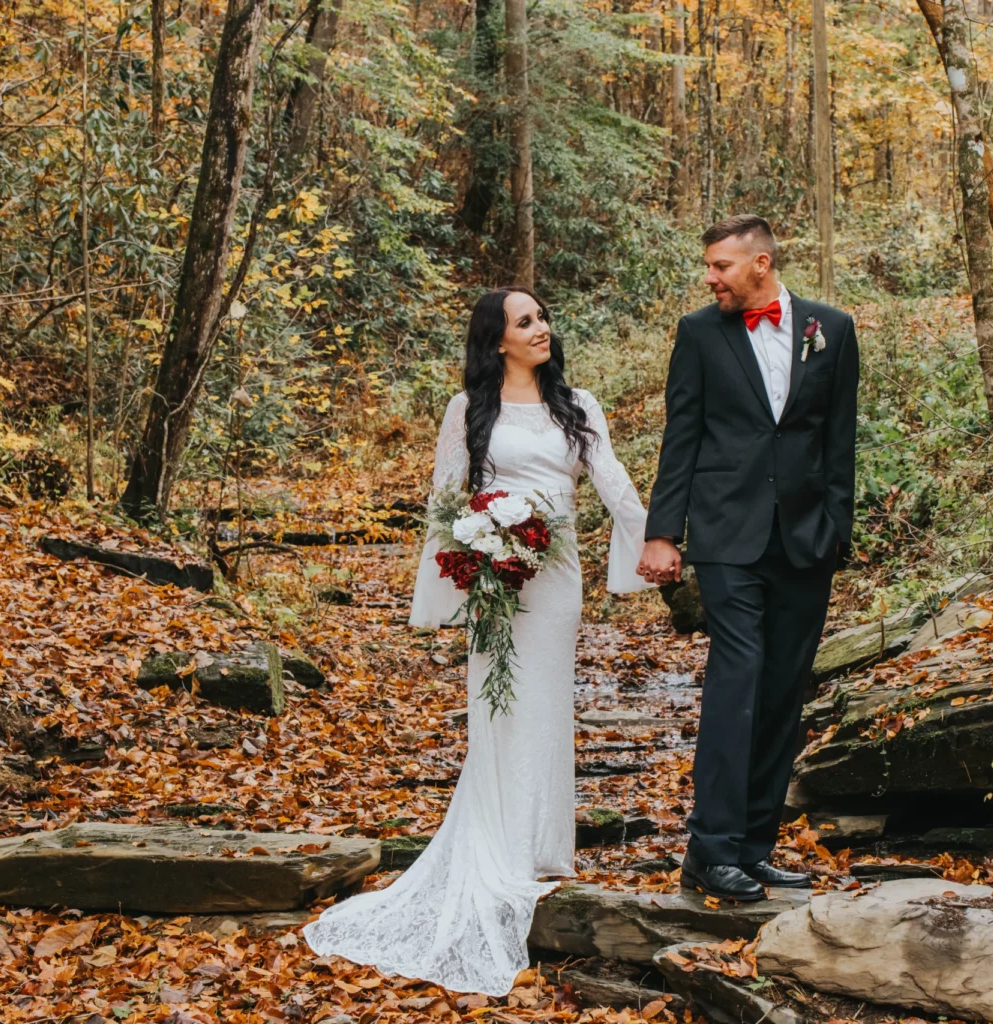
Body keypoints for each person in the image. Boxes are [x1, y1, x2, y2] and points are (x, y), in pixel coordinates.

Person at [302, 286, 654, 995]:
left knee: (547, 706)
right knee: (499, 708)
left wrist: (657, 539)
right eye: (526, 322)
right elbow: (445, 499)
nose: (542, 329)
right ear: (497, 339)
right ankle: (499, 848)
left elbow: (610, 481)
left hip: (555, 581)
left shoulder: (577, 404)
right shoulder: (469, 410)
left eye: (543, 317)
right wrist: (461, 577)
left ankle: (543, 849)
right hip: (497, 580)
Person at [639, 214, 859, 902]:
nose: (711, 279)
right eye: (709, 268)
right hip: (727, 537)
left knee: (783, 693)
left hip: (804, 541)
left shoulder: (832, 329)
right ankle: (711, 849)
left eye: (721, 267)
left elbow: (839, 438)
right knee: (738, 683)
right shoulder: (700, 333)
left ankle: (755, 848)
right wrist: (662, 531)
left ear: (760, 263)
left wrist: (836, 530)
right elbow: (684, 434)